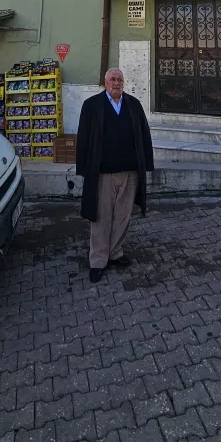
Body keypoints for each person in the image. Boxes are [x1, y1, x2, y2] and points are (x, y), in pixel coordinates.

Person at [76, 68, 154, 283]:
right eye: (112, 79)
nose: (116, 83)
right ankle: (98, 260)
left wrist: (146, 163)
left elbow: (144, 134)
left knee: (123, 216)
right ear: (105, 82)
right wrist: (83, 168)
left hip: (129, 173)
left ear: (123, 82)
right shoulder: (92, 105)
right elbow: (83, 137)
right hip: (103, 173)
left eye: (119, 79)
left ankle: (115, 253)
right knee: (101, 217)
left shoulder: (133, 104)